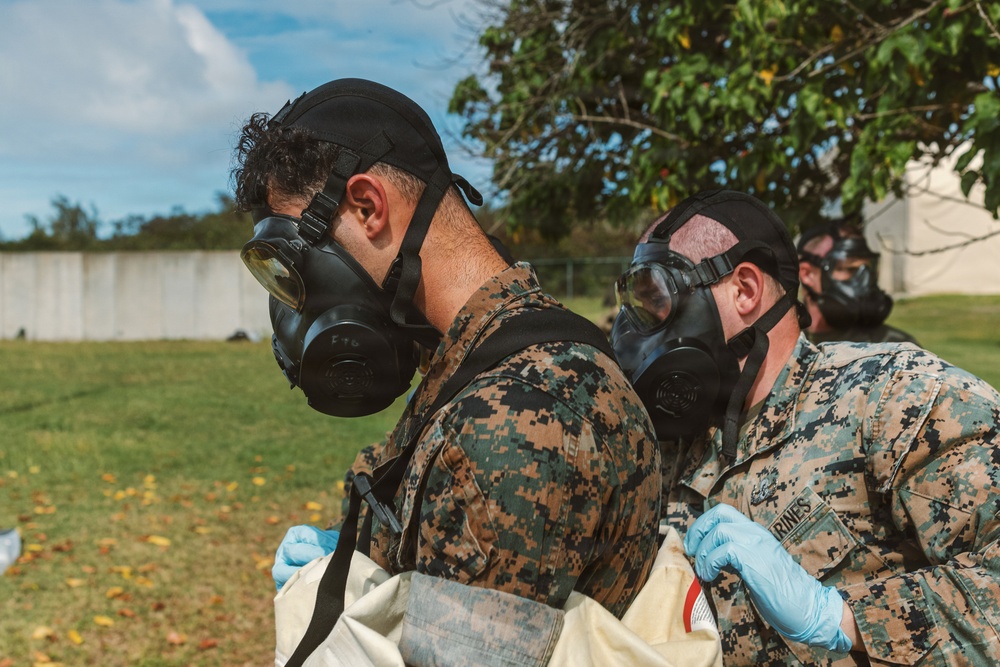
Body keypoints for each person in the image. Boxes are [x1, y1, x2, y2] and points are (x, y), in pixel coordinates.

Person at [231, 78, 661, 629]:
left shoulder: (514, 419)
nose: (298, 304)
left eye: (294, 266)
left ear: (368, 206)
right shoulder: (488, 365)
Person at [610, 189, 1000, 665]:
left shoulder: (895, 397)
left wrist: (838, 619)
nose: (640, 332)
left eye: (659, 301)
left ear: (745, 289)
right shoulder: (669, 445)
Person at [797, 219, 918, 345]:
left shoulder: (895, 348)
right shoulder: (785, 350)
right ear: (807, 274)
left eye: (867, 268)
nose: (864, 280)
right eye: (849, 269)